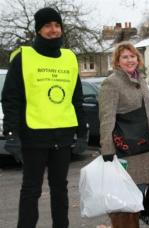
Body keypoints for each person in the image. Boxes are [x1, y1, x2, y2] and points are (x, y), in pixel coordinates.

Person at [1, 7, 88, 228]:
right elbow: (11, 97)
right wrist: (11, 133)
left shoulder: (69, 58)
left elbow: (77, 98)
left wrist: (82, 132)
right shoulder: (23, 57)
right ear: (39, 30)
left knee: (60, 188)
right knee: (31, 189)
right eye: (48, 25)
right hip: (34, 134)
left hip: (64, 133)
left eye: (57, 25)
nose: (53, 30)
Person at [98, 41, 149, 228]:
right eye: (125, 57)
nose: (130, 60)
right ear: (117, 61)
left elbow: (148, 115)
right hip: (126, 152)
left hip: (145, 150)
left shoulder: (140, 81)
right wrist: (107, 150)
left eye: (132, 56)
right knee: (123, 204)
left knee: (137, 201)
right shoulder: (112, 83)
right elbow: (106, 118)